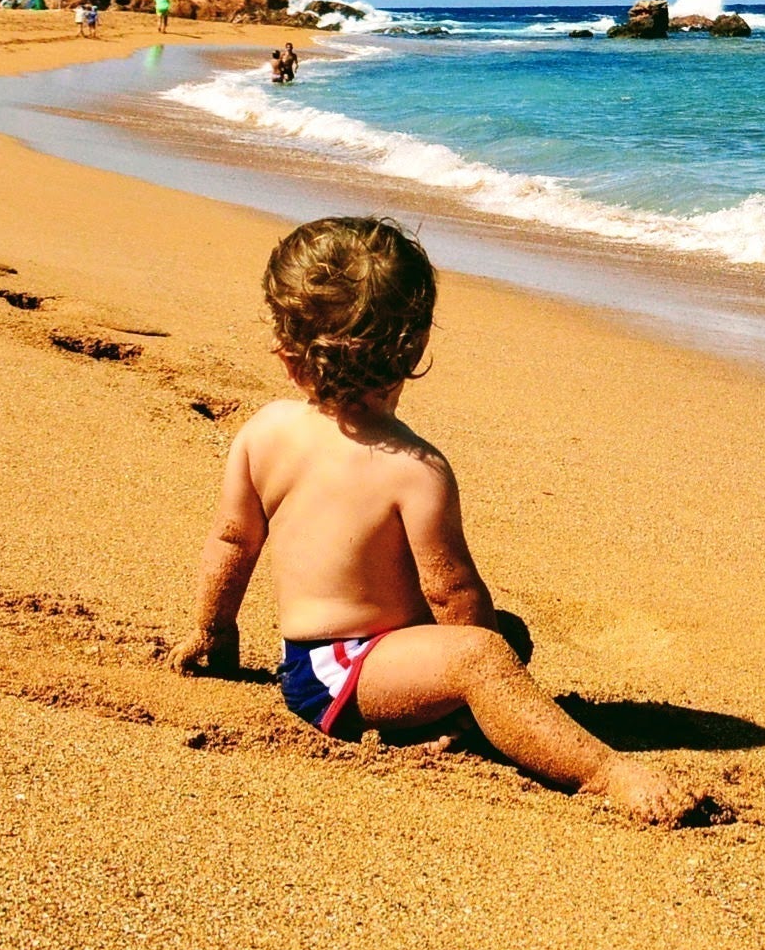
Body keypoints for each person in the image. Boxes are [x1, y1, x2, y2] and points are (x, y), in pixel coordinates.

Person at [173, 216, 690, 824]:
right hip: (341, 673)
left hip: (327, 662)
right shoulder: (416, 469)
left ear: (289, 359)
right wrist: (481, 658)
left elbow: (234, 541)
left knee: (505, 636)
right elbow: (450, 591)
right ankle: (603, 771)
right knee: (484, 655)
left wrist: (214, 633)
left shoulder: (264, 431)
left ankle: (461, 711)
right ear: (413, 349)